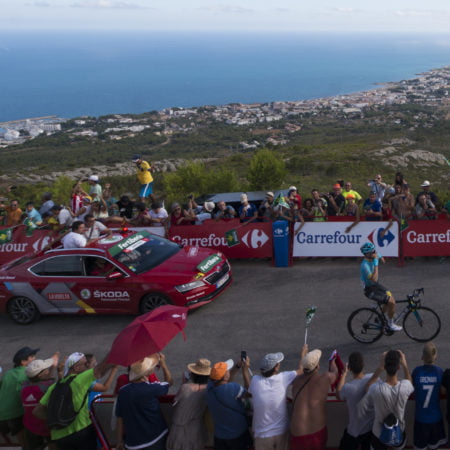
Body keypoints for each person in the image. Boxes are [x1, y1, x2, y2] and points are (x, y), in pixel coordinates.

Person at [35, 352, 115, 450]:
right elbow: (99, 371)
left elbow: (37, 411)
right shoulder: (79, 380)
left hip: (59, 436)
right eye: (85, 364)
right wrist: (114, 354)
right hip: (80, 432)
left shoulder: (54, 386)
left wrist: (57, 418)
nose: (87, 366)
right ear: (76, 368)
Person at [246, 346, 307, 450]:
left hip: (262, 436)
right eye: (278, 363)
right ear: (276, 367)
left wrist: (244, 368)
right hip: (281, 432)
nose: (279, 364)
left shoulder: (255, 381)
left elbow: (248, 387)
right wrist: (303, 354)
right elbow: (302, 370)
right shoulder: (283, 377)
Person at [358, 350, 414, 450]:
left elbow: (367, 387)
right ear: (398, 367)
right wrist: (405, 364)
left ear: (385, 367)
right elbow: (409, 382)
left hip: (379, 433)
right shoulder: (404, 388)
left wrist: (380, 367)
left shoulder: (376, 389)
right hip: (398, 431)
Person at [115, 354, 173, 450]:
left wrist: (119, 440)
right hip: (155, 438)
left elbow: (120, 417)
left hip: (132, 443)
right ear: (147, 374)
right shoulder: (153, 388)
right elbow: (169, 382)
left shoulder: (122, 391)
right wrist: (163, 365)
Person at [290, 347, 338, 450]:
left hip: (297, 435)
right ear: (318, 366)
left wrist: (303, 357)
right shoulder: (325, 378)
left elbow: (302, 372)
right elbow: (335, 373)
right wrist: (333, 362)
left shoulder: (296, 381)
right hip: (316, 435)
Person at [206, 358, 252, 450]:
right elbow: (250, 392)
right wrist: (245, 371)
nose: (229, 372)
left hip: (220, 436)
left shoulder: (209, 388)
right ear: (226, 376)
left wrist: (237, 366)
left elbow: (223, 379)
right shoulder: (233, 388)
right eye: (227, 371)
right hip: (238, 435)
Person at [167, 358, 212, 450]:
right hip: (196, 428)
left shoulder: (185, 388)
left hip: (179, 430)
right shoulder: (208, 390)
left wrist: (184, 383)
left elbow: (175, 403)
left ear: (193, 374)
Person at [0, 347, 40, 447]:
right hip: (16, 413)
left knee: (22, 440)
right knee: (27, 441)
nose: (35, 358)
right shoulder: (27, 373)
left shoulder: (8, 373)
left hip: (3, 414)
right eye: (32, 356)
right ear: (23, 362)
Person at [411, 343, 447, 450]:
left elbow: (411, 387)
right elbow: (443, 391)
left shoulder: (417, 371)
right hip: (435, 419)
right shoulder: (439, 372)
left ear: (422, 357)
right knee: (435, 447)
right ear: (435, 356)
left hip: (420, 419)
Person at [360, 242, 402, 331]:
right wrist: (376, 263)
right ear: (367, 254)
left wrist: (380, 257)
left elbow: (383, 259)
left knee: (390, 298)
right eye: (372, 252)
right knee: (392, 303)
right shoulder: (364, 266)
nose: (374, 253)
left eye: (374, 250)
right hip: (369, 290)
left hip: (375, 286)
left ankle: (379, 318)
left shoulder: (373, 255)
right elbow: (374, 279)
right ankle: (390, 324)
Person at [336, 352, 373, 450]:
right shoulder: (373, 378)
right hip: (370, 431)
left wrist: (344, 375)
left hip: (354, 432)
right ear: (363, 365)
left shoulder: (348, 388)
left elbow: (338, 394)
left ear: (350, 368)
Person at [21, 356, 59, 450]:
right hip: (46, 426)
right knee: (54, 446)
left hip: (30, 425)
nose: (48, 371)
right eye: (46, 369)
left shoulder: (24, 387)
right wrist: (55, 368)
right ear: (40, 375)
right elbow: (52, 381)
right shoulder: (47, 387)